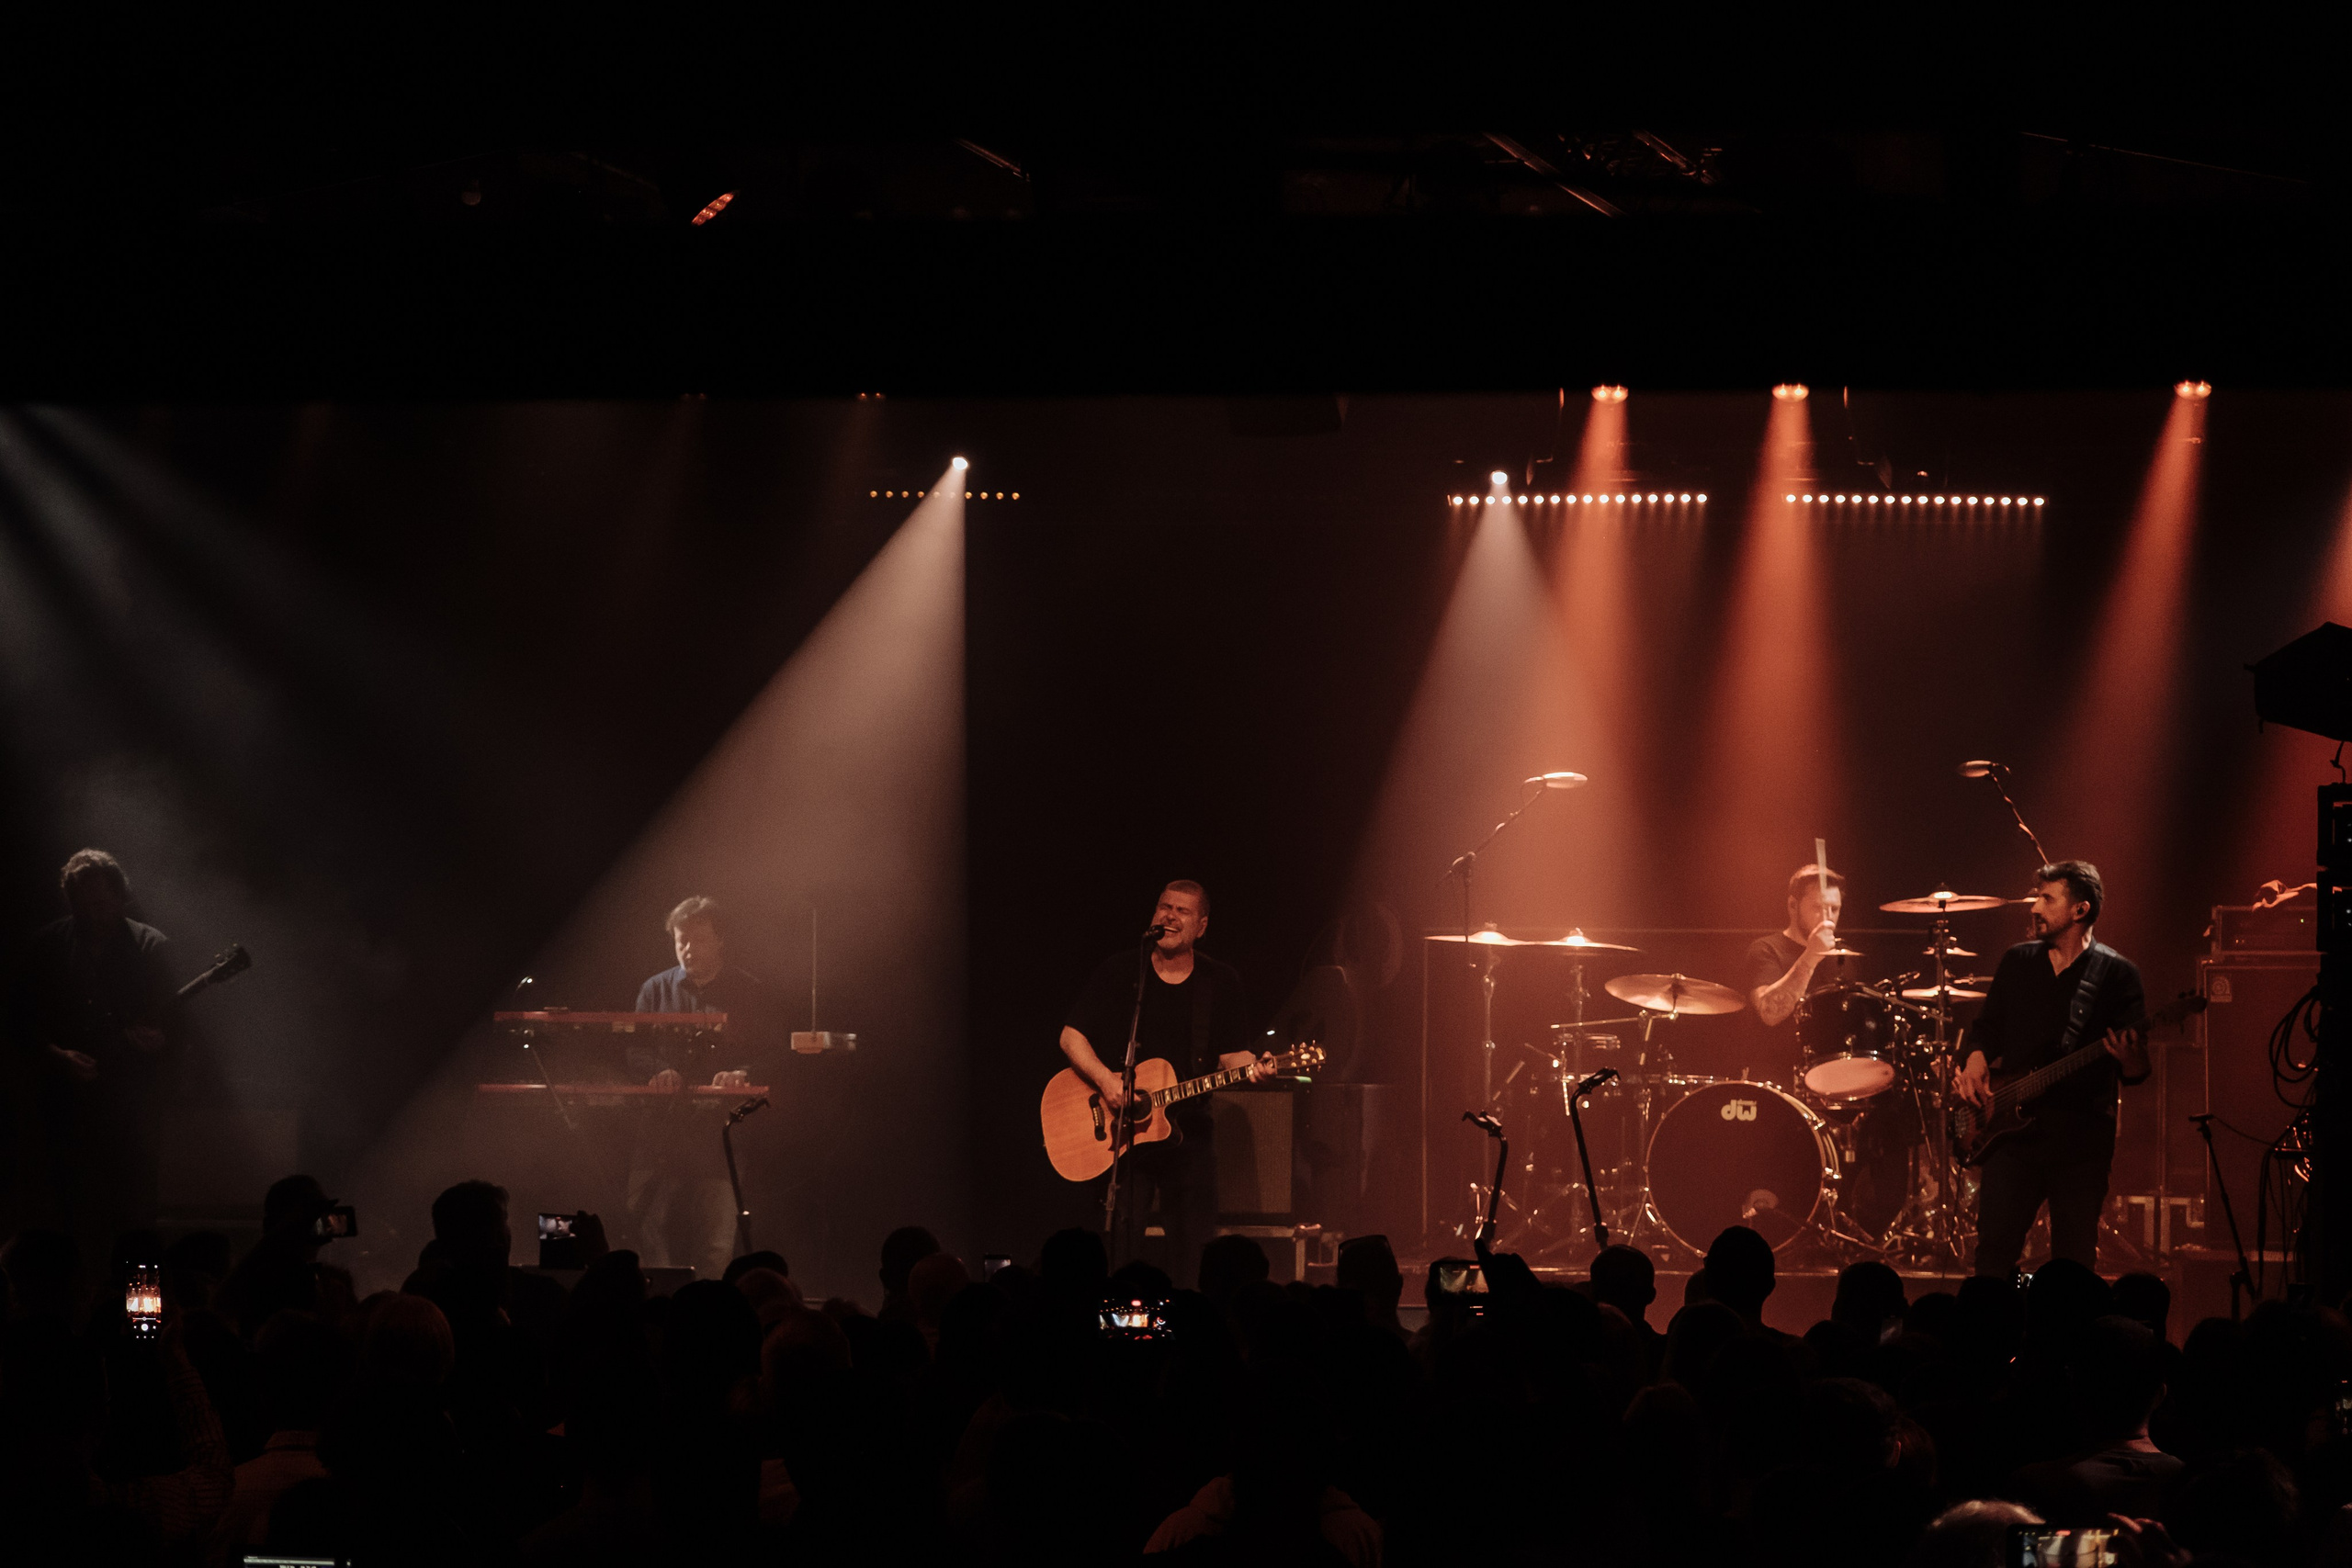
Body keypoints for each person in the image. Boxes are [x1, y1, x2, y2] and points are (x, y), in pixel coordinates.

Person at [1057, 881, 1270, 1274]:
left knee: (1193, 1252)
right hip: (1124, 1137)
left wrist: (1255, 1065)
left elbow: (1230, 1055)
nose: (1169, 916)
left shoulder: (1219, 981)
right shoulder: (1122, 970)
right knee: (1116, 1249)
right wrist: (1106, 1081)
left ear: (1201, 926)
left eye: (1182, 911)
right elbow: (1071, 1036)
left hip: (1188, 1132)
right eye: (1164, 907)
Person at [1953, 860, 2149, 1276]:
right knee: (1992, 1256)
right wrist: (1975, 1058)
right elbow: (1987, 1028)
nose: (2034, 907)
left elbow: (2135, 1070)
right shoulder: (2018, 961)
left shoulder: (2117, 974)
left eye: (2046, 898)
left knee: (2073, 1264)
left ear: (2080, 911)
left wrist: (2132, 1060)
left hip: (2080, 1141)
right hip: (2012, 1137)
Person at [6, 849, 180, 1255]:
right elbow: (18, 1025)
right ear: (70, 901)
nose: (95, 912)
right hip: (61, 1112)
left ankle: (142, 1318)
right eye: (84, 904)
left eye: (103, 902)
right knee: (62, 1224)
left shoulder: (151, 947)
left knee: (134, 1226)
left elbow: (179, 1030)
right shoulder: (46, 946)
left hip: (130, 1116)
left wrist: (162, 1042)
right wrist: (57, 1055)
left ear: (121, 897)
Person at [630, 897, 774, 1277]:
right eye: (681, 942)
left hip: (719, 1135)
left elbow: (768, 1053)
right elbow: (634, 1049)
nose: (688, 950)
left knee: (714, 1239)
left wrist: (739, 1073)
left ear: (720, 940)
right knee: (644, 1225)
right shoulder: (654, 990)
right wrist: (659, 1069)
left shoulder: (749, 991)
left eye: (699, 940)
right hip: (662, 1132)